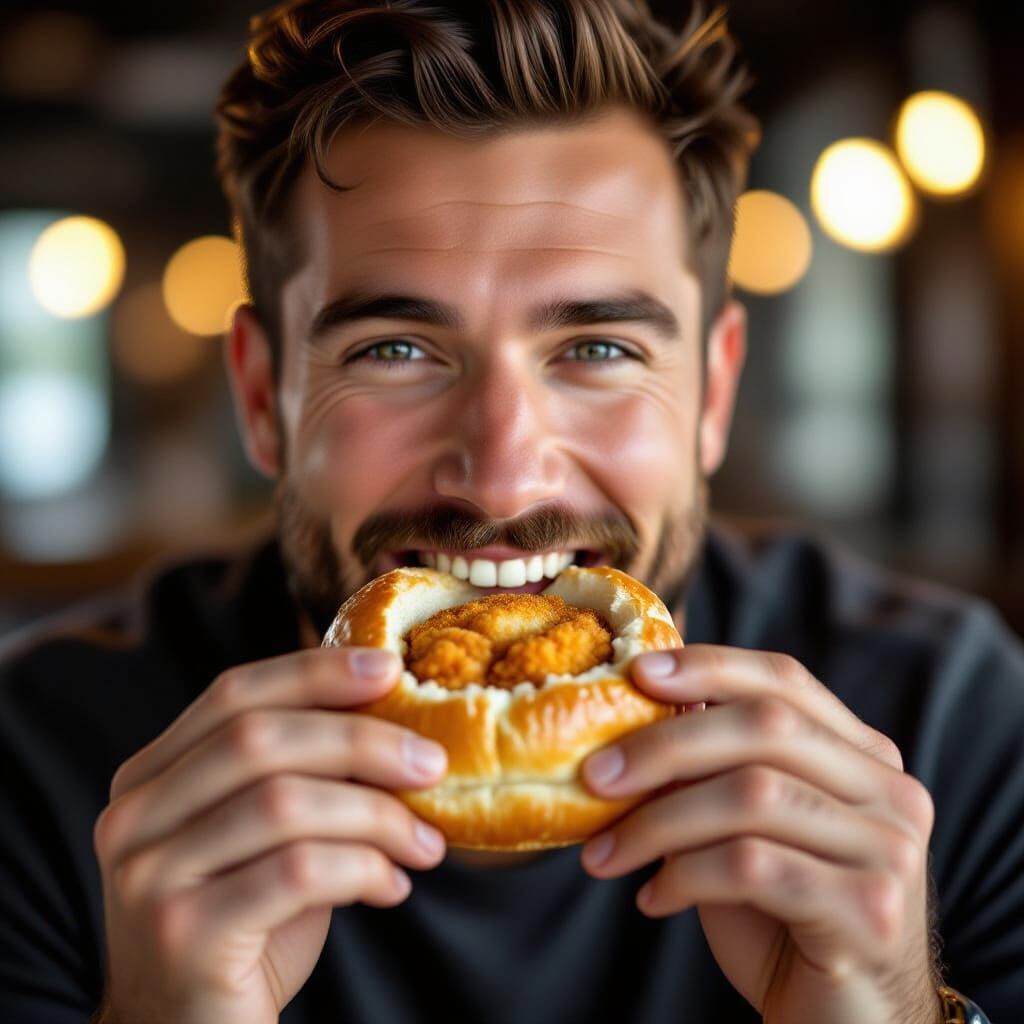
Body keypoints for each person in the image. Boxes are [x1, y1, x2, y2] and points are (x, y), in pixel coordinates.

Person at [0, 1, 1020, 1021]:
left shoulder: (948, 725)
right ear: (263, 398)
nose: (500, 478)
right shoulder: (43, 767)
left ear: (711, 396)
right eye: (394, 350)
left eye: (599, 350)